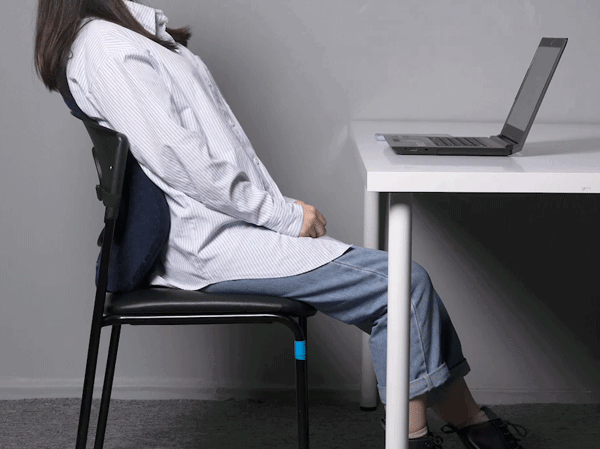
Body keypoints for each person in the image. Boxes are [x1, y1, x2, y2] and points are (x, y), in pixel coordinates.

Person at [34, 1, 528, 448]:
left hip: (224, 226)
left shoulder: (127, 34)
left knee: (403, 287)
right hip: (208, 242)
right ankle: (433, 436)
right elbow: (181, 161)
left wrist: (273, 212)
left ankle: (475, 426)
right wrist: (284, 215)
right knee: (402, 286)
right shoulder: (107, 46)